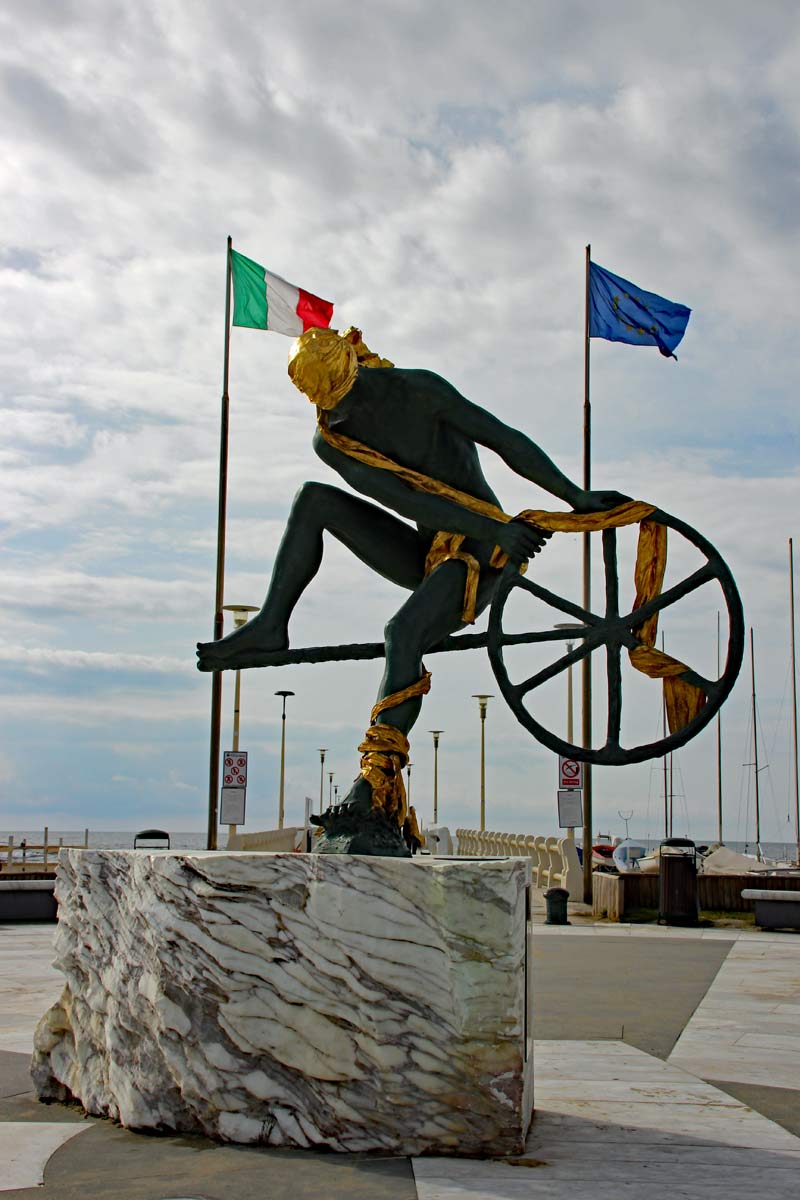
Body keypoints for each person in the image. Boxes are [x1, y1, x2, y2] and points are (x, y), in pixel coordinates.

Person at [197, 328, 626, 853]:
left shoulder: (419, 391)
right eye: (331, 409)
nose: (341, 416)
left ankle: (375, 777)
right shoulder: (333, 436)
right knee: (314, 500)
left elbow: (505, 440)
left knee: (403, 633)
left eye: (346, 402)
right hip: (427, 548)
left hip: (479, 553)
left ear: (358, 374)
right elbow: (404, 501)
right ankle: (271, 623)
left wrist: (573, 498)